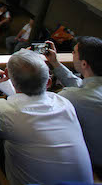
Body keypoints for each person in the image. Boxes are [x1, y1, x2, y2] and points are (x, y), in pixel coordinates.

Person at [0, 47, 94, 185]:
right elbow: (21, 94)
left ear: (8, 75)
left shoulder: (8, 113)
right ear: (48, 81)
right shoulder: (63, 102)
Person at [44, 36, 102, 169]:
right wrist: (55, 63)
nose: (72, 54)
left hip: (94, 166)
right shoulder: (92, 88)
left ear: (84, 64)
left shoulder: (72, 96)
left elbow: (41, 105)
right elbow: (81, 85)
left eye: (74, 52)